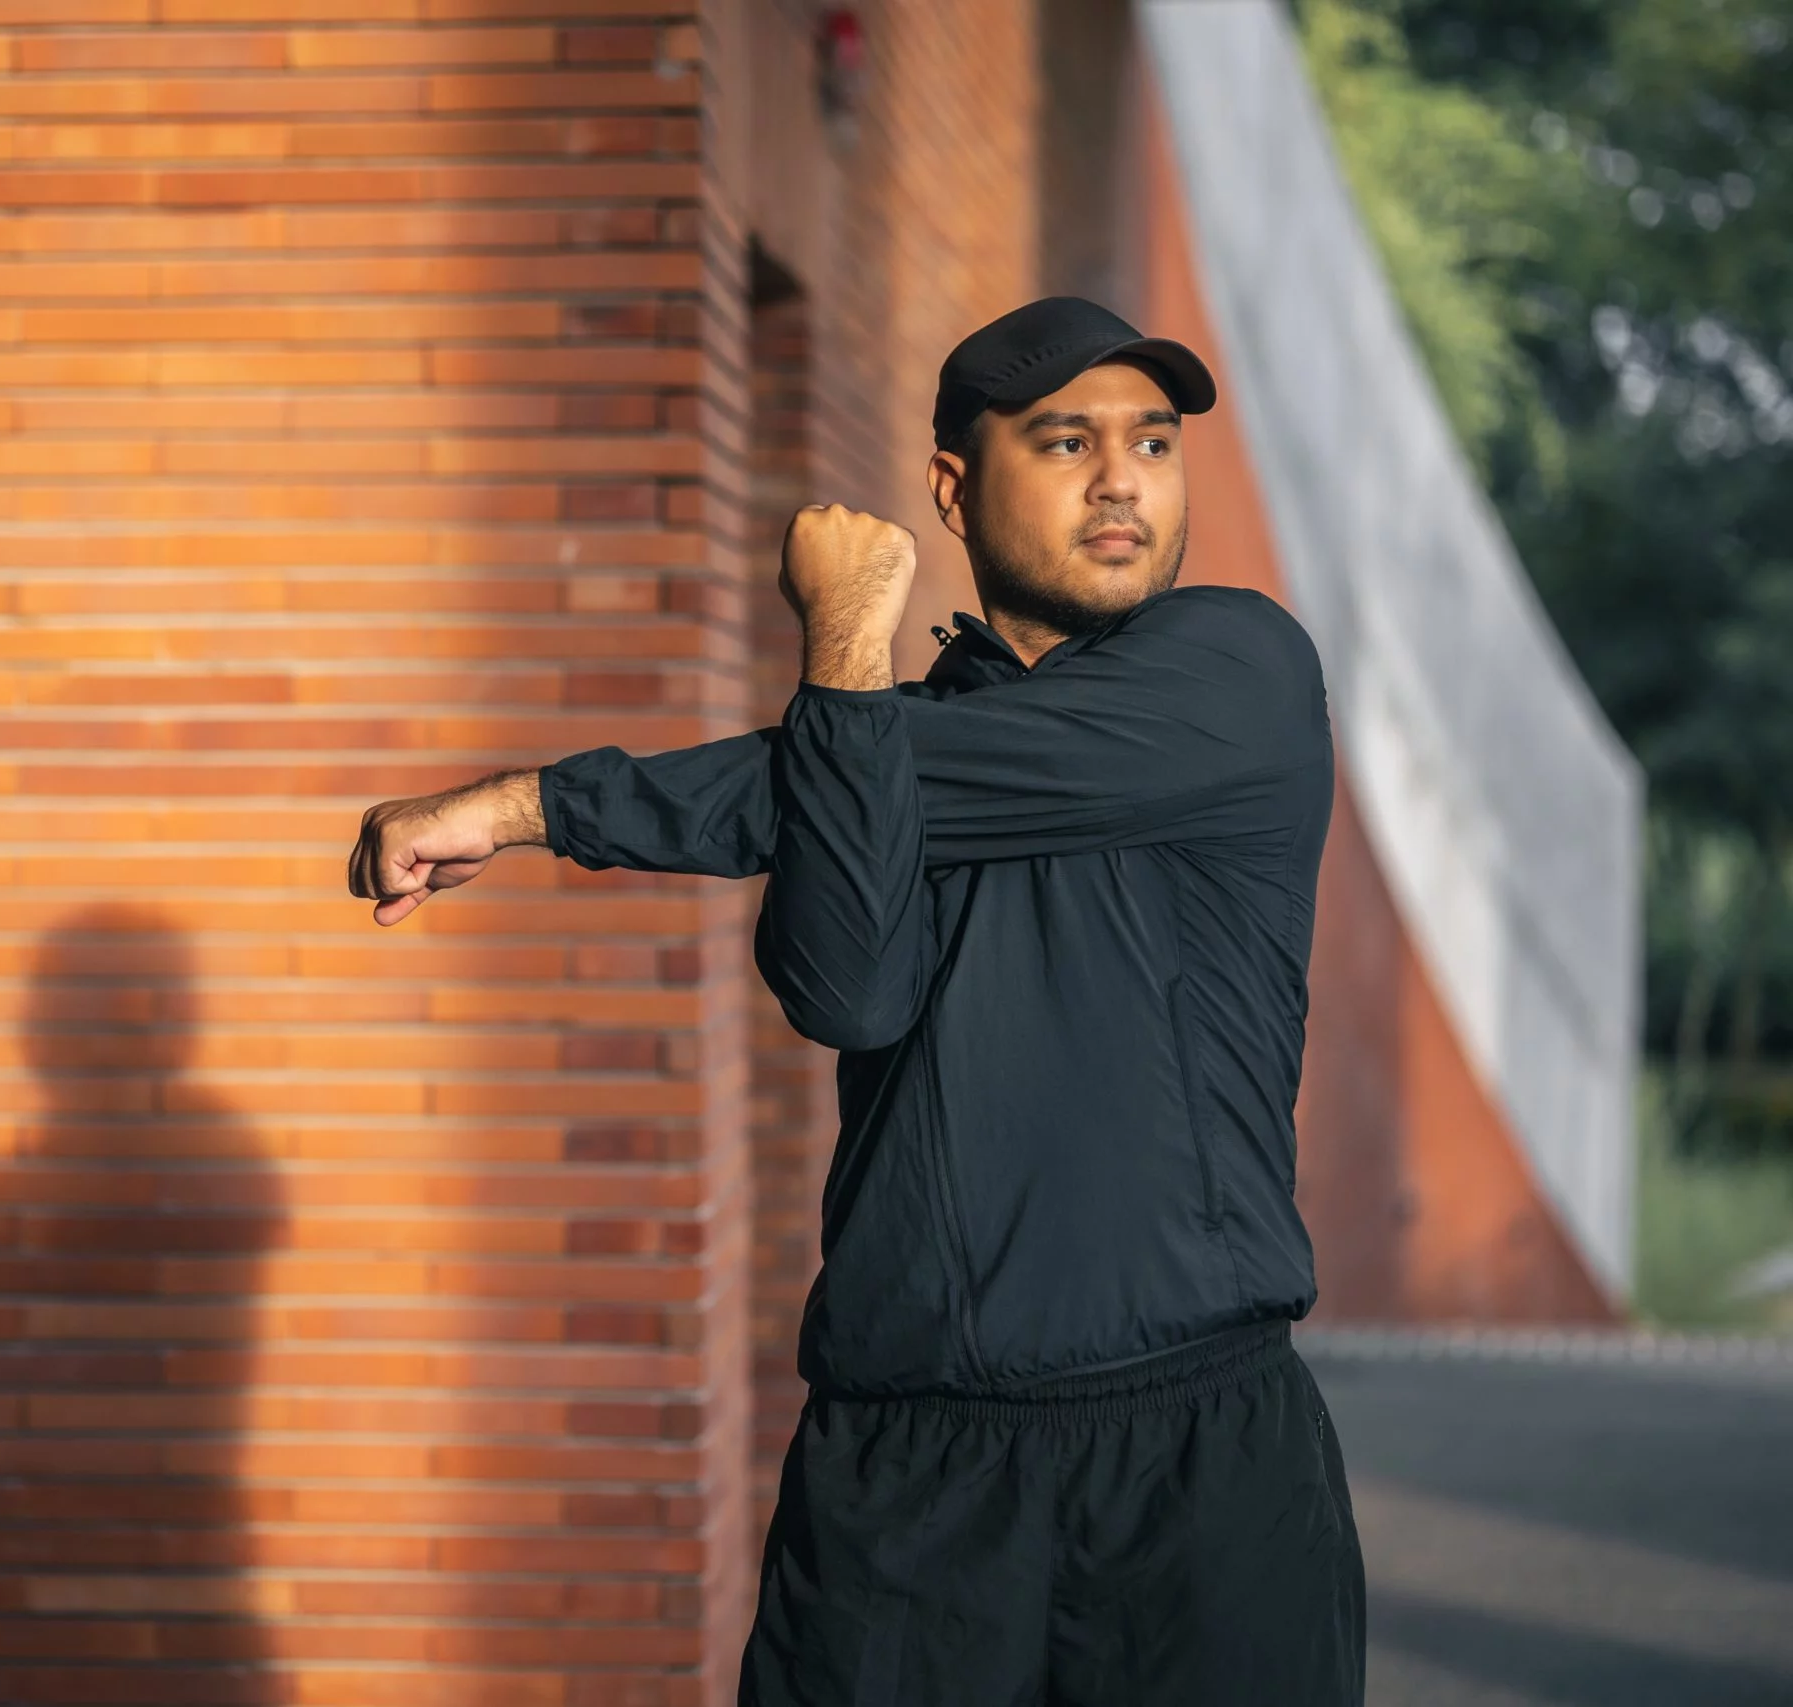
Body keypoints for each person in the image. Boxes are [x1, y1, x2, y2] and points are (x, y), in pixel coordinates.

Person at [347, 297, 1364, 1705]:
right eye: (1067, 440)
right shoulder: (867, 754)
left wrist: (537, 803)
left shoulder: (1239, 675)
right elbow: (845, 987)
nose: (1124, 478)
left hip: (1196, 1462)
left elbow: (889, 766)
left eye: (1153, 441)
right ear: (953, 484)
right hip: (910, 1485)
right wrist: (850, 683)